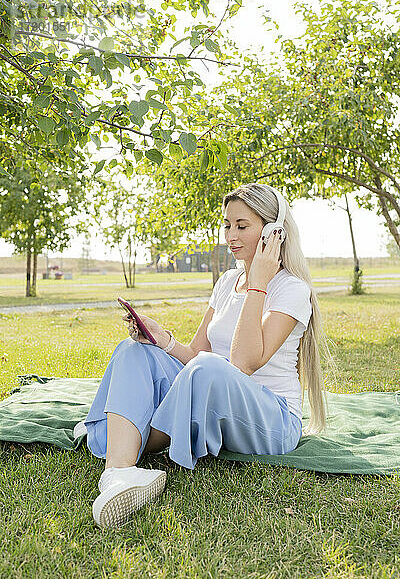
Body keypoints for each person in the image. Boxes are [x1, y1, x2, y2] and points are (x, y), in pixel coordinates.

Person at [84, 183, 334, 529]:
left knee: (210, 367)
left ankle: (135, 436)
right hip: (212, 389)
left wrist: (258, 282)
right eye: (227, 225)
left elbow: (244, 363)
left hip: (271, 419)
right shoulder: (227, 282)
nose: (231, 235)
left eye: (242, 226)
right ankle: (120, 475)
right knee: (134, 350)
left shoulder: (292, 289)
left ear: (274, 233)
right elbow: (194, 355)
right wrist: (163, 339)